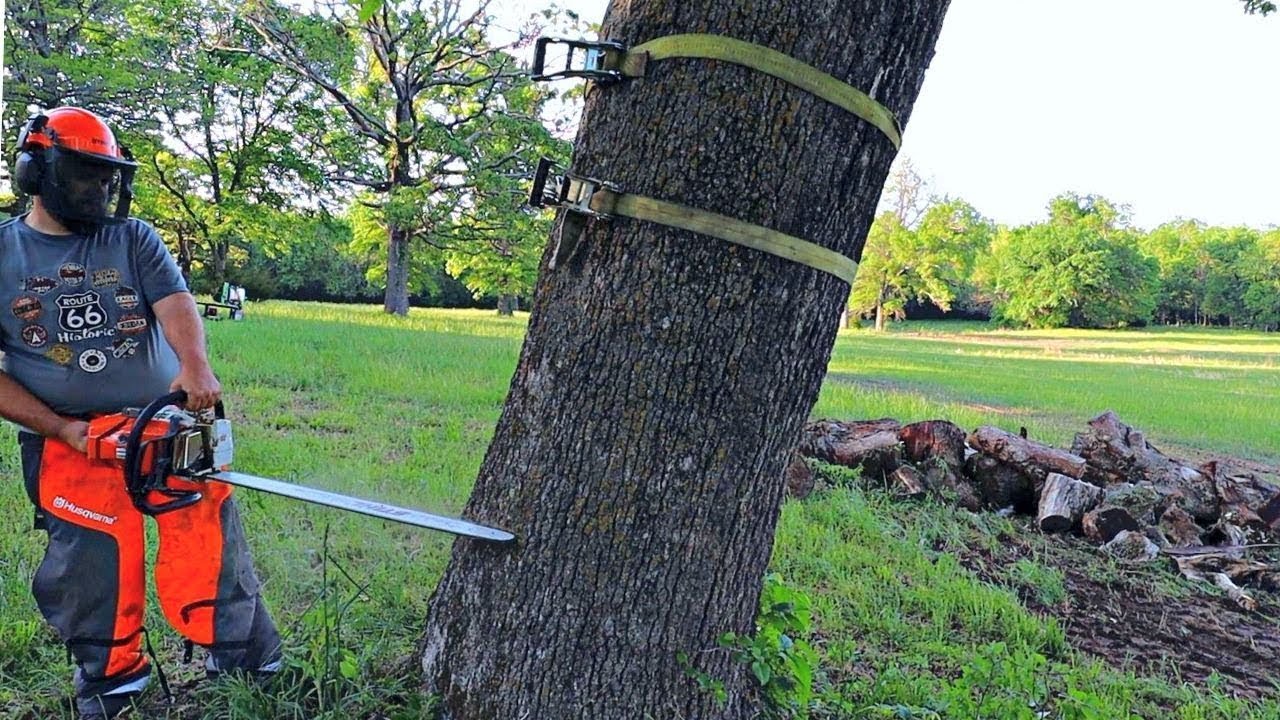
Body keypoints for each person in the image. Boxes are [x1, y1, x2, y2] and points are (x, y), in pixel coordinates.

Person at [1, 107, 282, 718]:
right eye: (84, 175)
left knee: (210, 541)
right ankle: (110, 680)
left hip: (166, 423)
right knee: (91, 566)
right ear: (35, 171)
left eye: (107, 177)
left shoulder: (133, 237)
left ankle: (244, 654)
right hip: (68, 440)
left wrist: (195, 368)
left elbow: (175, 300)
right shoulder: (2, 251)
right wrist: (63, 428)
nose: (100, 189)